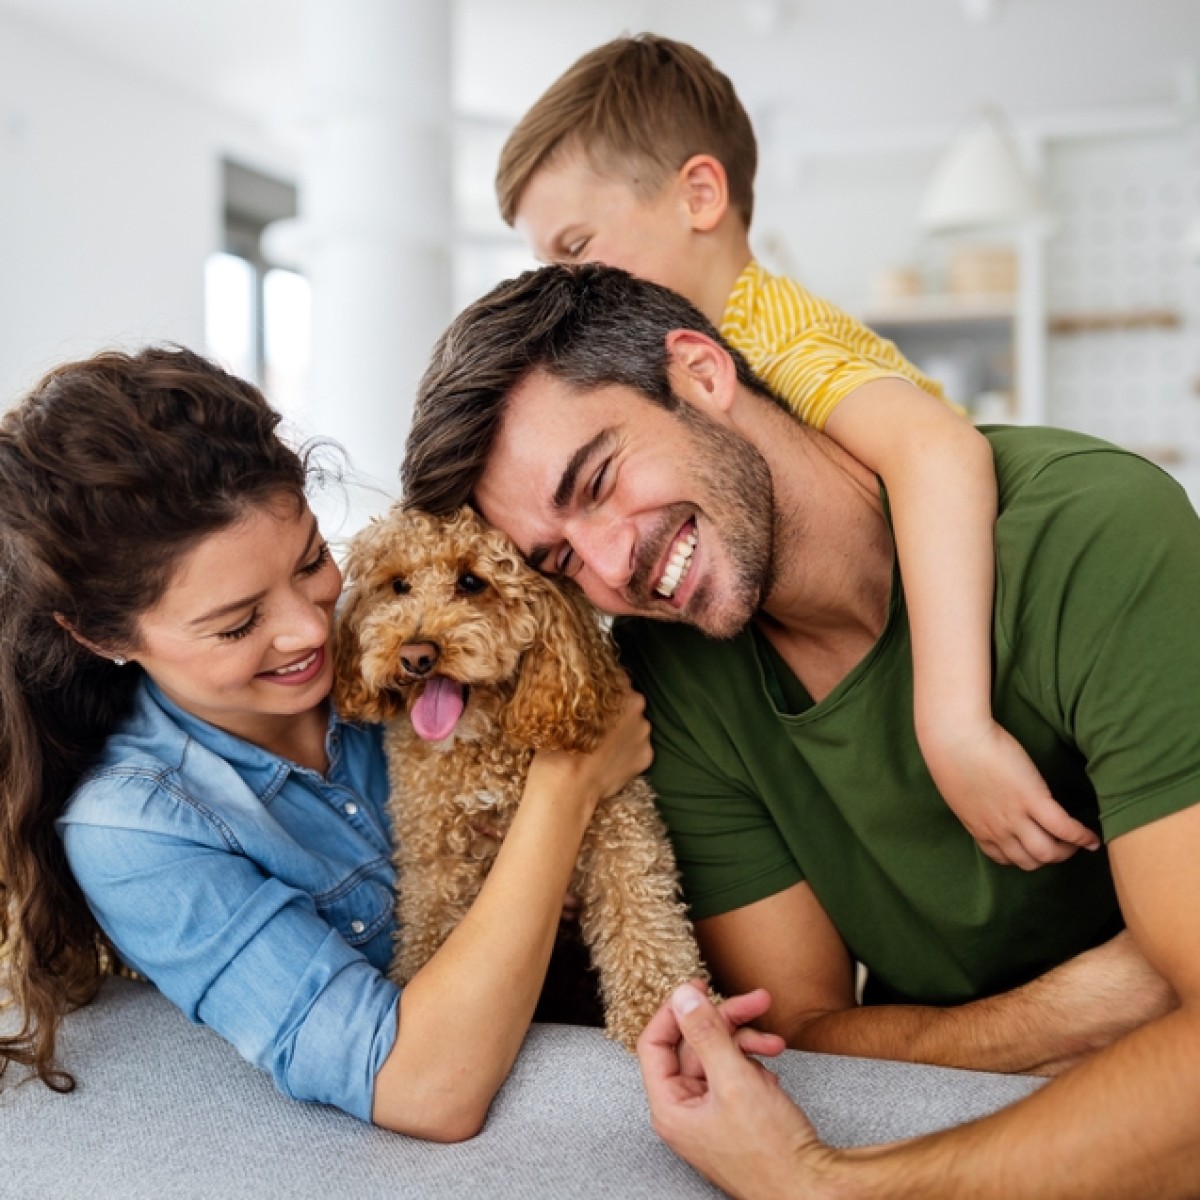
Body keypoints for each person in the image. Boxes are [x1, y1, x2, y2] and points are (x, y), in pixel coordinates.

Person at [401, 263, 1200, 1196]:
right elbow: (815, 1033)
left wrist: (827, 1186)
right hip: (961, 1109)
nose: (616, 567)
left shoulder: (1094, 536)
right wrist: (1088, 1010)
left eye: (601, 479)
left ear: (701, 372)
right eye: (559, 559)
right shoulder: (675, 679)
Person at [0, 345, 655, 1140]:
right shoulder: (135, 832)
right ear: (102, 636)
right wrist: (569, 783)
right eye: (239, 622)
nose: (313, 629)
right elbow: (422, 1090)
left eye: (313, 561)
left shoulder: (407, 641)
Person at [492, 33, 1096, 871]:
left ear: (700, 194)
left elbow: (938, 450)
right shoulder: (730, 338)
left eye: (573, 246)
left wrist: (952, 726)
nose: (563, 286)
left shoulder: (767, 328)